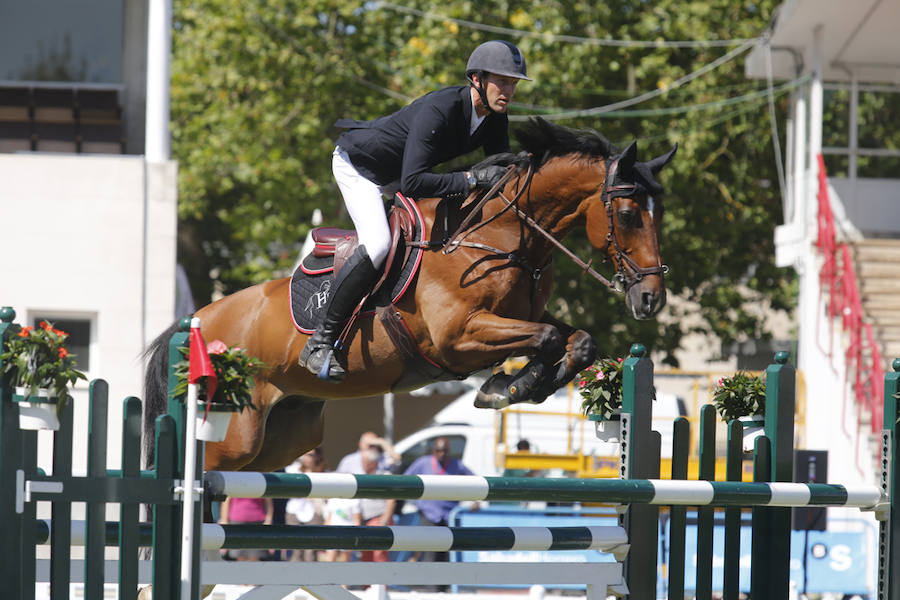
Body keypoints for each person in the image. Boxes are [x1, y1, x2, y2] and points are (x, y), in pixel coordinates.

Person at [299, 40, 531, 381]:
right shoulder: (442, 108)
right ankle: (320, 342)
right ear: (478, 79)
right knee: (378, 244)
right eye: (503, 81)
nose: (509, 90)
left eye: (514, 83)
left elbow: (500, 172)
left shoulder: (495, 118)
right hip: (361, 168)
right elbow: (413, 182)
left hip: (399, 175)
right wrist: (469, 178)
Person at [284, 447, 327, 562]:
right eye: (305, 454)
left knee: (311, 550)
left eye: (310, 455)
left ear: (317, 457)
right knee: (296, 549)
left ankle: (311, 578)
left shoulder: (323, 473)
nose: (307, 458)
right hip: (294, 512)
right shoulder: (294, 470)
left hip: (315, 512)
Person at [357, 445, 396, 563]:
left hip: (379, 519)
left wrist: (384, 521)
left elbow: (391, 500)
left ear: (373, 463)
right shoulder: (360, 476)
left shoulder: (384, 476)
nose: (362, 464)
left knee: (378, 553)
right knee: (366, 556)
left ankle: (380, 581)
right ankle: (367, 581)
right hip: (361, 521)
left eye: (365, 462)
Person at [219, 495, 275, 561]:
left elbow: (269, 502)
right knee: (239, 557)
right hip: (236, 523)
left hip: (258, 523)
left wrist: (268, 521)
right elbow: (226, 501)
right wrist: (224, 524)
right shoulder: (234, 484)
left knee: (255, 558)